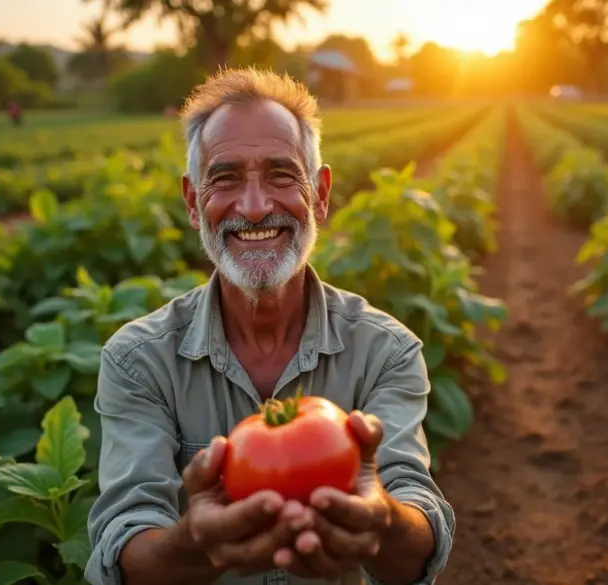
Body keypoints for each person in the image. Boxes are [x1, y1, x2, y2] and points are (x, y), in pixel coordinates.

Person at [85, 67, 454, 585]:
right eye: (226, 178)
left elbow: (417, 539)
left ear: (320, 195)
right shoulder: (139, 360)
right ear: (194, 203)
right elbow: (124, 543)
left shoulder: (385, 350)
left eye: (282, 175)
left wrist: (382, 521)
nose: (255, 207)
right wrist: (192, 542)